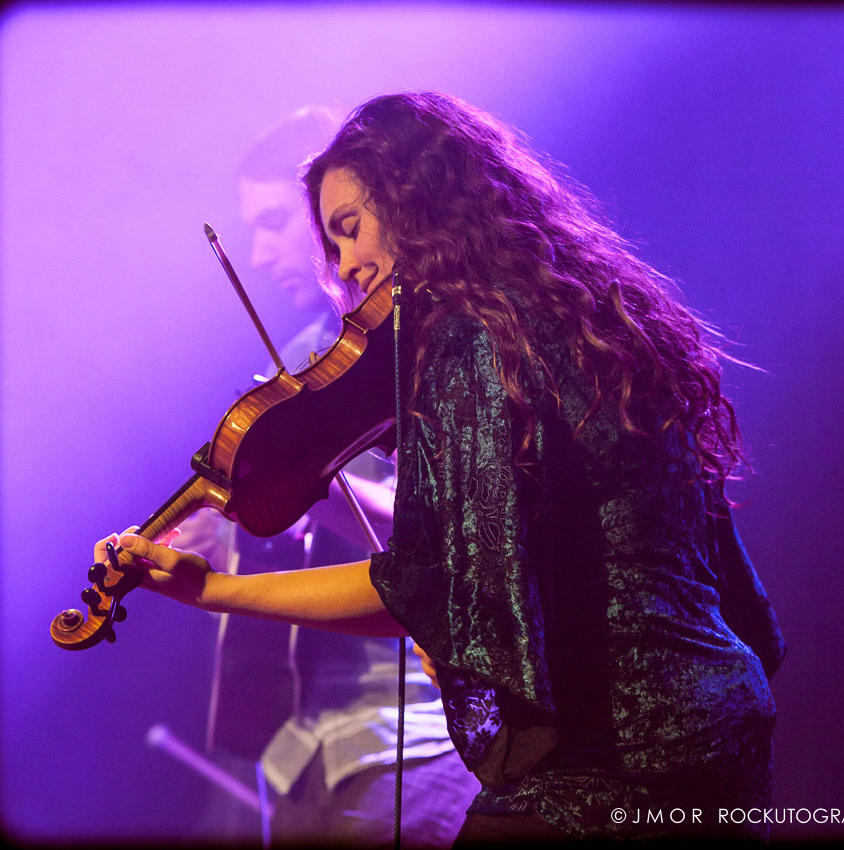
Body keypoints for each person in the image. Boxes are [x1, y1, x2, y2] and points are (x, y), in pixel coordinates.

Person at [105, 92, 786, 842]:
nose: (347, 268)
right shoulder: (606, 316)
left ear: (419, 200)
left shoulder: (469, 341)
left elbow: (424, 583)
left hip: (612, 754)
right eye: (330, 249)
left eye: (350, 230)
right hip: (720, 728)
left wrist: (214, 589)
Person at [177, 106, 478, 847]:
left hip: (408, 728)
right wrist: (237, 534)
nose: (263, 248)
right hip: (304, 741)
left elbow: (436, 531)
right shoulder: (310, 358)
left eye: (282, 222)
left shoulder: (425, 350)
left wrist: (303, 488)